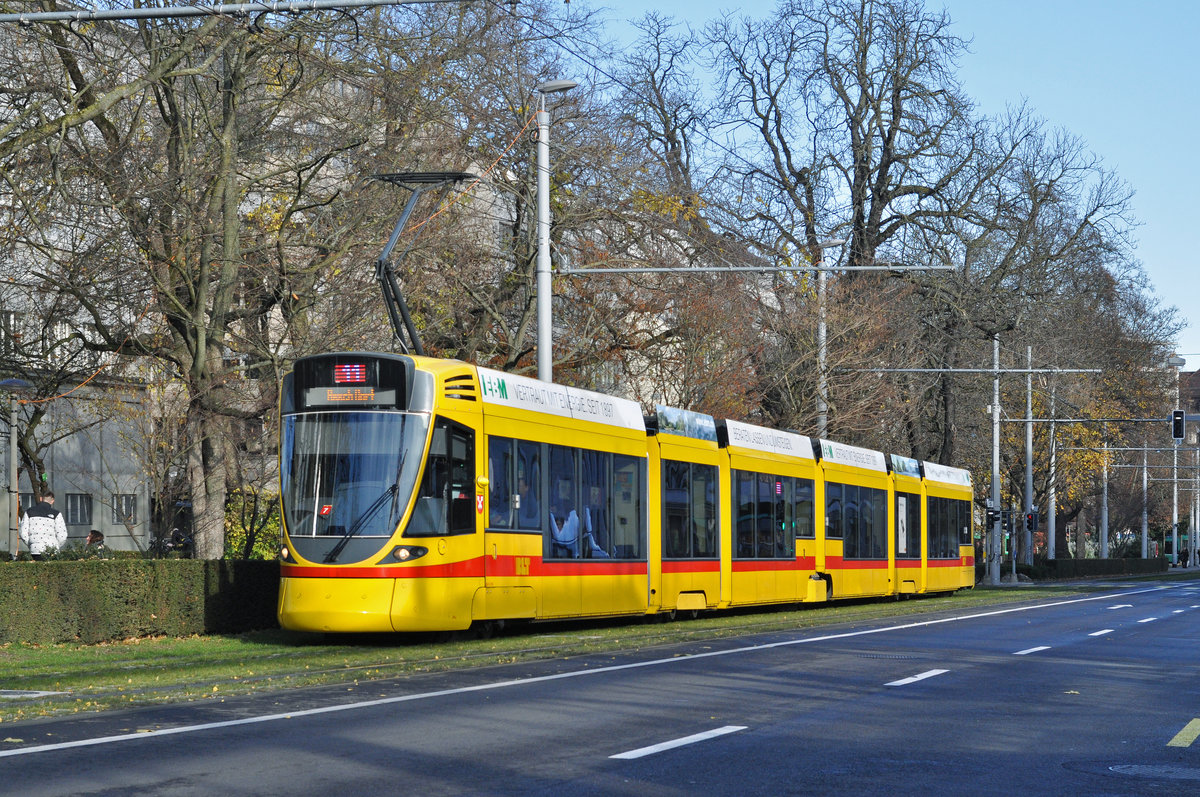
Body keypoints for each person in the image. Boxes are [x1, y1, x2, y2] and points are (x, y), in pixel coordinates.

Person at [18, 489, 69, 560]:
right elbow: (62, 535)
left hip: (35, 551)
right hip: (52, 551)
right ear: (52, 501)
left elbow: (23, 533)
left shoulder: (29, 512)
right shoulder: (56, 514)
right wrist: (55, 546)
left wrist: (32, 544)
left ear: (41, 498)